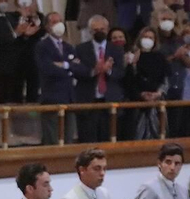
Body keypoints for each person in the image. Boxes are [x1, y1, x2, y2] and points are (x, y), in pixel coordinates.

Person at [72, 14, 123, 144]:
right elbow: (76, 71)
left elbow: (121, 73)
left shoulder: (116, 50)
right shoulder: (81, 49)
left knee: (108, 139)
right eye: (96, 30)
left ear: (107, 29)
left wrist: (108, 70)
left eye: (102, 29)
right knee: (88, 140)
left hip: (109, 101)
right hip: (88, 101)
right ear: (90, 31)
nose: (99, 32)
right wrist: (95, 70)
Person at [0, 0, 40, 105]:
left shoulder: (11, 17)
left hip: (15, 67)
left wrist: (25, 35)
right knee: (0, 102)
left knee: (15, 101)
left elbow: (17, 40)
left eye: (5, 0)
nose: (3, 3)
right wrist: (16, 33)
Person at [35, 11, 81, 144]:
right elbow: (47, 68)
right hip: (52, 96)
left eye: (60, 21)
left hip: (69, 97)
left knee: (68, 136)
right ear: (47, 26)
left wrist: (64, 65)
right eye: (54, 22)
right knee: (52, 137)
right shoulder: (42, 46)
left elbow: (78, 67)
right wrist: (69, 67)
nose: (58, 25)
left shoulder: (69, 47)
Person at [123, 26, 169, 141]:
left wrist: (158, 93)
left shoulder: (160, 57)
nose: (148, 40)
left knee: (158, 133)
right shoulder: (131, 56)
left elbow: (165, 79)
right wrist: (132, 65)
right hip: (137, 102)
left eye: (151, 38)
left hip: (156, 101)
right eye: (145, 37)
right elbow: (128, 80)